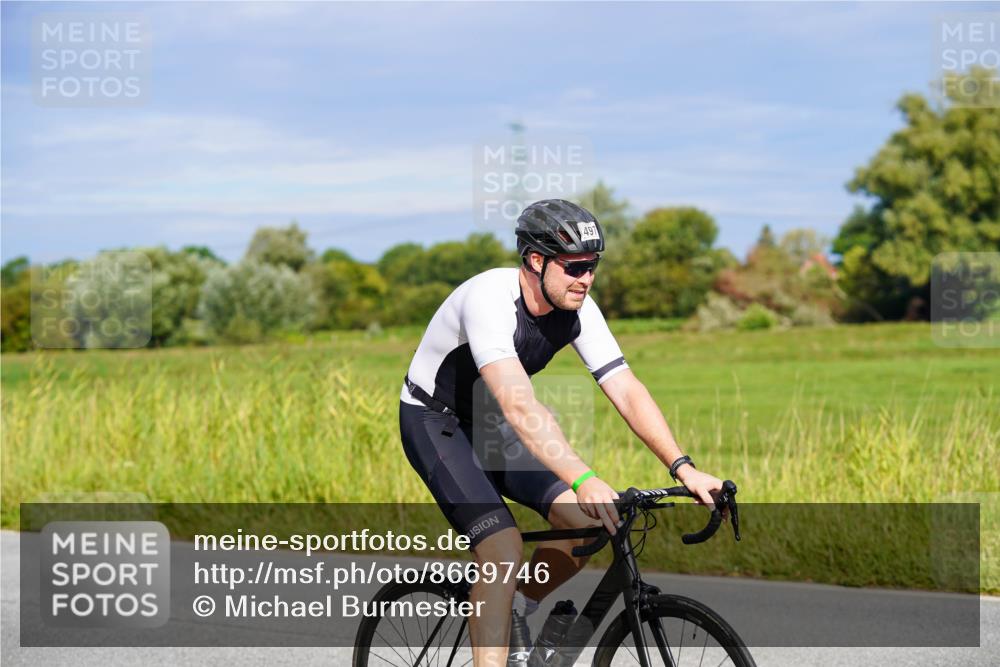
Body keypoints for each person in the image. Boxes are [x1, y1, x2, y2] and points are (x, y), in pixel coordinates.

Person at [399, 199, 726, 667]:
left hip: (490, 421)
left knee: (586, 522)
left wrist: (684, 468)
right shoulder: (489, 300)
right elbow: (520, 404)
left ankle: (514, 607)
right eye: (574, 267)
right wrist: (581, 477)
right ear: (536, 260)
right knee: (502, 549)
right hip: (436, 422)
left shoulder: (578, 309)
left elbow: (626, 388)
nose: (585, 279)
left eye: (592, 267)